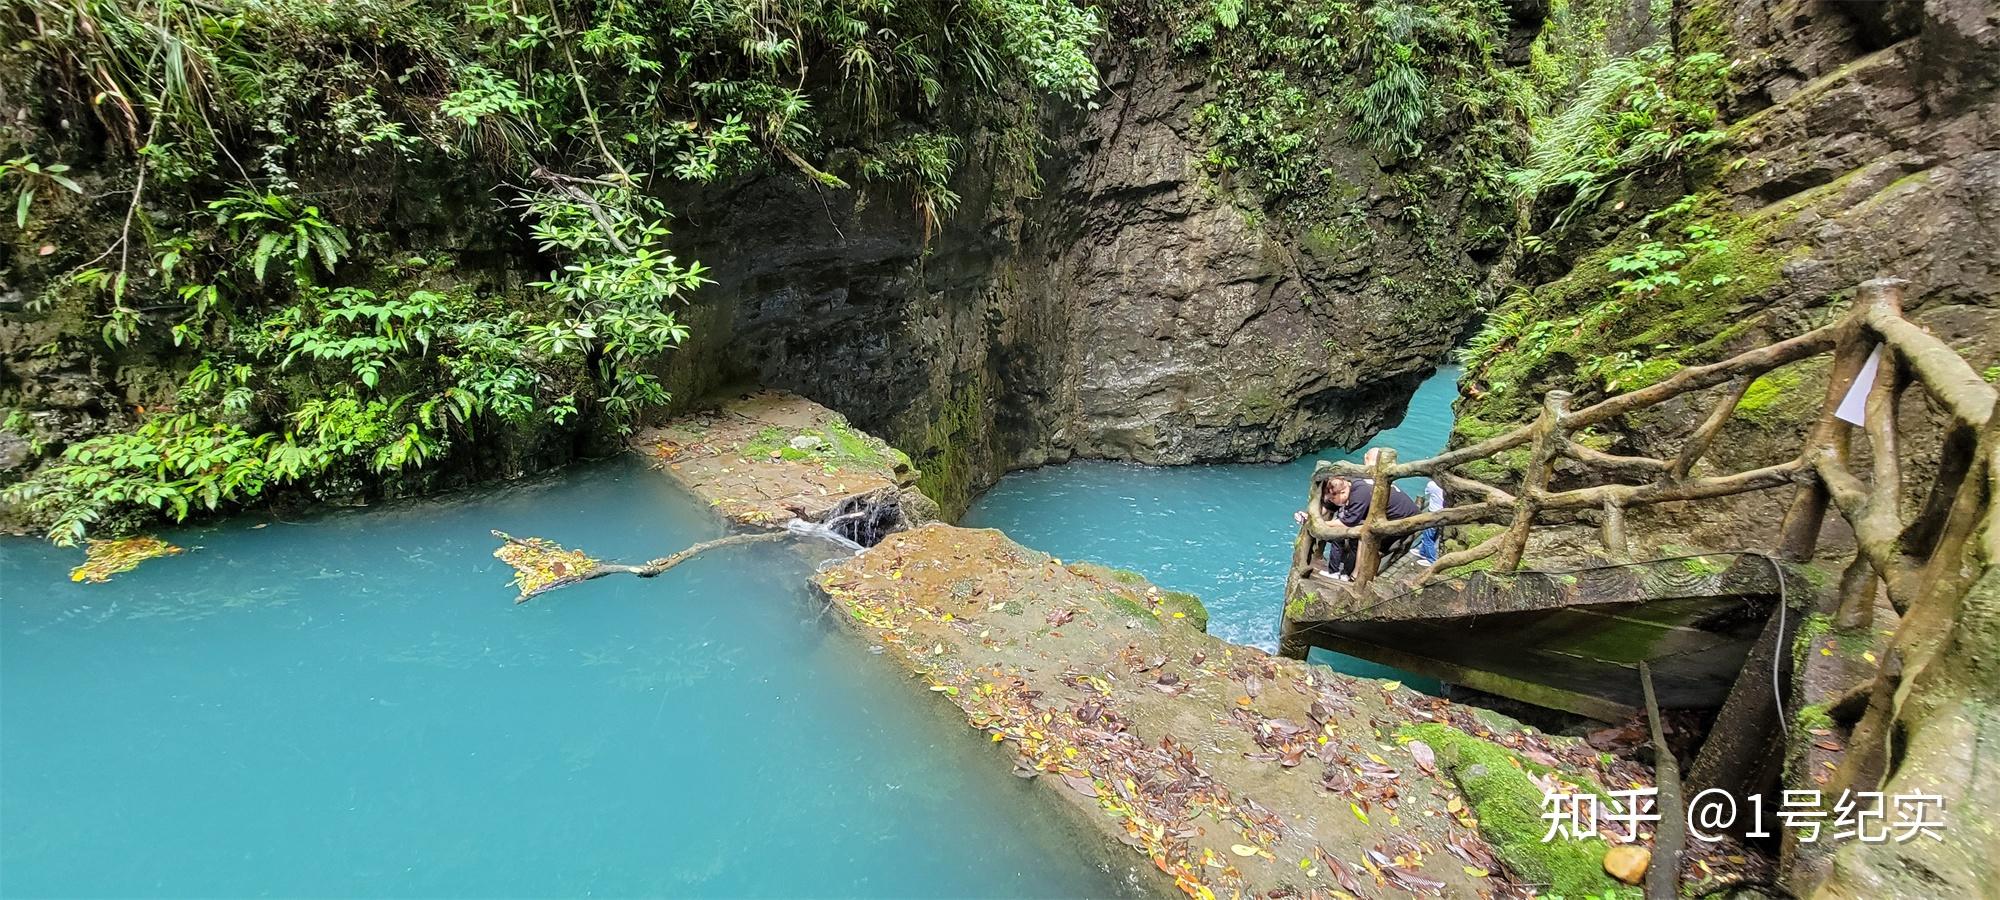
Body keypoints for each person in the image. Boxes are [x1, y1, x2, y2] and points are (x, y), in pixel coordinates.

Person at [1317, 475, 1419, 580]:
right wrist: (1314, 516)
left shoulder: (1359, 495)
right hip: (1400, 515)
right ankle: (1352, 575)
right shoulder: (1354, 484)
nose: (1332, 501)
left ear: (1343, 492)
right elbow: (1332, 507)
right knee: (1362, 538)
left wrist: (1323, 523)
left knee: (1371, 543)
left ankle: (1357, 577)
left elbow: (1348, 522)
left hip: (1403, 520)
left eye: (1332, 498)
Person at [1414, 478, 1445, 566]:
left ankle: (1431, 560)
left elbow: (1426, 492)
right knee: (1433, 534)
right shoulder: (1446, 486)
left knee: (1428, 537)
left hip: (1433, 513)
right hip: (1443, 513)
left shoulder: (1432, 484)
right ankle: (1423, 552)